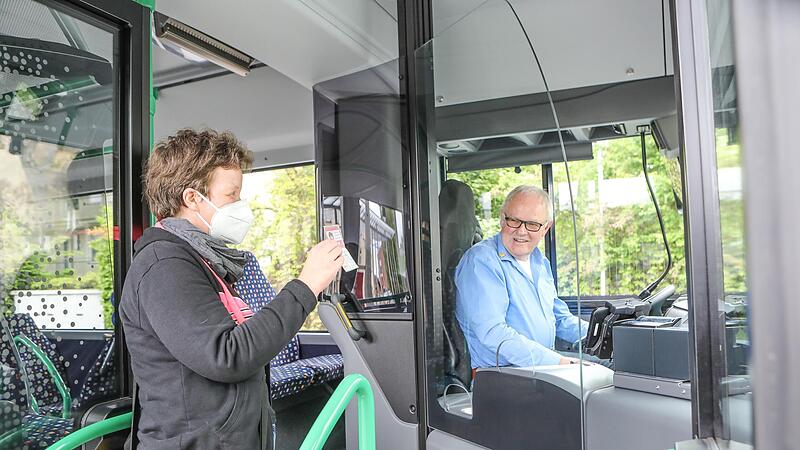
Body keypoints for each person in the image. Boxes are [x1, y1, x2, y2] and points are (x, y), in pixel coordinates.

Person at [119, 128, 343, 449]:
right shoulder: (163, 266)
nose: (240, 205)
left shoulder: (206, 260)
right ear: (192, 198)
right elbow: (227, 355)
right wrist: (306, 286)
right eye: (232, 194)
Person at [455, 185, 588, 369]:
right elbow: (493, 333)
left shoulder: (540, 262)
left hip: (539, 366)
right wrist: (559, 362)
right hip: (502, 372)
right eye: (514, 221)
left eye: (532, 224)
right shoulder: (481, 261)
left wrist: (601, 334)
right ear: (502, 219)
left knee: (613, 366)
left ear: (546, 228)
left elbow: (560, 319)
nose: (521, 231)